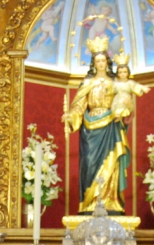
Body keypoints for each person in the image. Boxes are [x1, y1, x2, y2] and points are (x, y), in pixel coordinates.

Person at [62, 40, 130, 214]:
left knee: (111, 163)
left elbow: (125, 102)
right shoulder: (87, 83)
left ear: (107, 62)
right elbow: (79, 106)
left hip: (110, 127)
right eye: (97, 61)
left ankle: (110, 201)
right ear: (94, 63)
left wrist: (122, 111)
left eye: (103, 60)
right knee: (90, 164)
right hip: (90, 129)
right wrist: (71, 116)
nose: (101, 63)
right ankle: (90, 202)